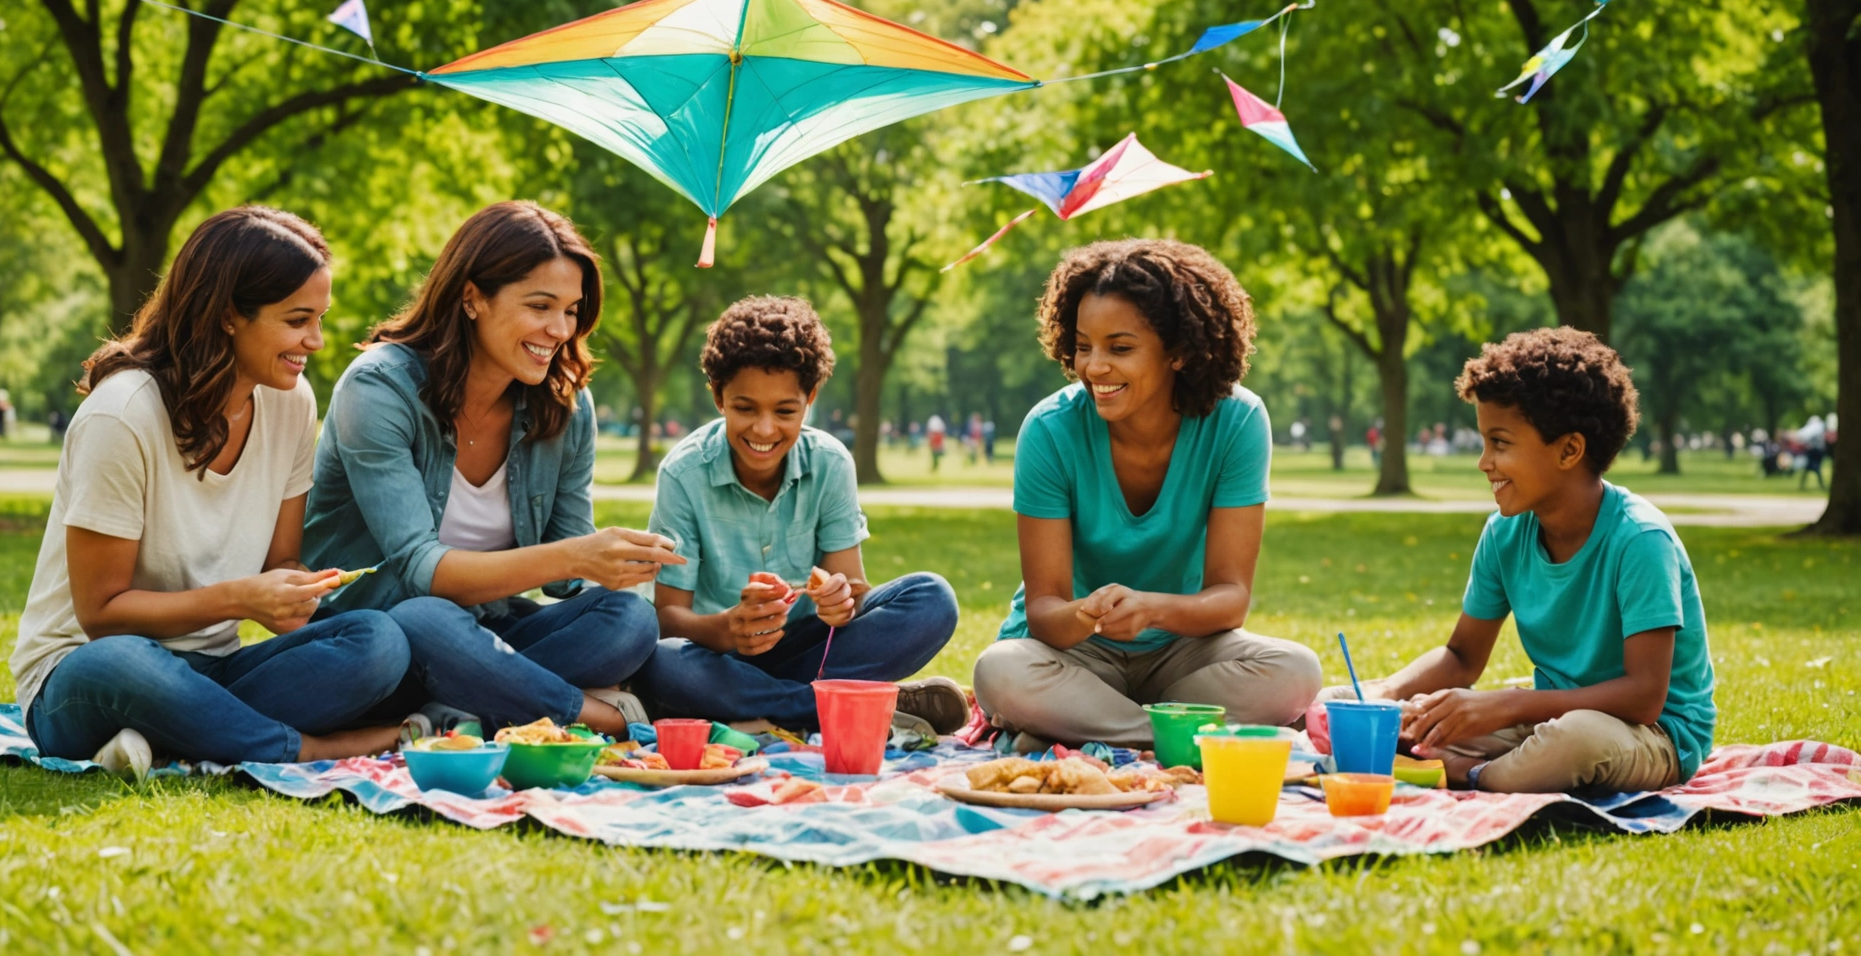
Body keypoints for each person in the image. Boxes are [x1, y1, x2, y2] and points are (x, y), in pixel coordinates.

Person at [10, 207, 410, 781]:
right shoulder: (122, 416)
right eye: (299, 319)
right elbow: (101, 615)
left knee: (378, 641)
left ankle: (172, 737)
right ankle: (306, 749)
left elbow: (281, 561)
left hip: (214, 671)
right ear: (228, 315)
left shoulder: (291, 404)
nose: (316, 341)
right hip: (85, 674)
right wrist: (241, 600)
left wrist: (293, 592)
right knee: (123, 666)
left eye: (321, 318)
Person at [303, 202, 674, 740]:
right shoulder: (379, 390)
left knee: (630, 620)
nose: (559, 329)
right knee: (424, 617)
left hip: (488, 634)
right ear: (472, 297)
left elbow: (567, 578)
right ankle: (591, 715)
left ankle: (461, 712)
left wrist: (616, 560)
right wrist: (574, 555)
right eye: (540, 306)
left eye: (571, 310)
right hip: (379, 633)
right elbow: (419, 571)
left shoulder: (566, 406)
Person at [1326, 328, 1715, 794]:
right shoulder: (1505, 533)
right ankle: (1472, 761)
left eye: (1501, 443)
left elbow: (1644, 697)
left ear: (1569, 450)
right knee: (1419, 720)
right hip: (1548, 716)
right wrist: (1388, 695)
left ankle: (1468, 775)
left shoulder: (1640, 540)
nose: (1483, 462)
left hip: (1653, 735)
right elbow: (1462, 656)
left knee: (1577, 740)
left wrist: (1506, 704)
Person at [974, 239, 1321, 749]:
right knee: (998, 671)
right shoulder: (1049, 429)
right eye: (1083, 345)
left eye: (1119, 348)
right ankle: (1165, 736)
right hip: (1077, 654)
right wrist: (1088, 613)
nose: (1094, 367)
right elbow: (1046, 611)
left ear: (1177, 352)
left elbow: (1230, 600)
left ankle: (1082, 726)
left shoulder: (1237, 420)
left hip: (1184, 656)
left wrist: (1152, 610)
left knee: (1296, 671)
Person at [635, 297, 967, 733]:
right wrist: (730, 628)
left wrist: (840, 601)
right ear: (719, 397)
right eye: (745, 408)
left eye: (785, 411)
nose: (765, 429)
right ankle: (847, 702)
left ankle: (778, 704)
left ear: (810, 398)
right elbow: (668, 617)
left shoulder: (830, 463)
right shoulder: (684, 473)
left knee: (932, 598)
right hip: (720, 654)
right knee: (663, 662)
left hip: (811, 650)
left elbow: (853, 589)